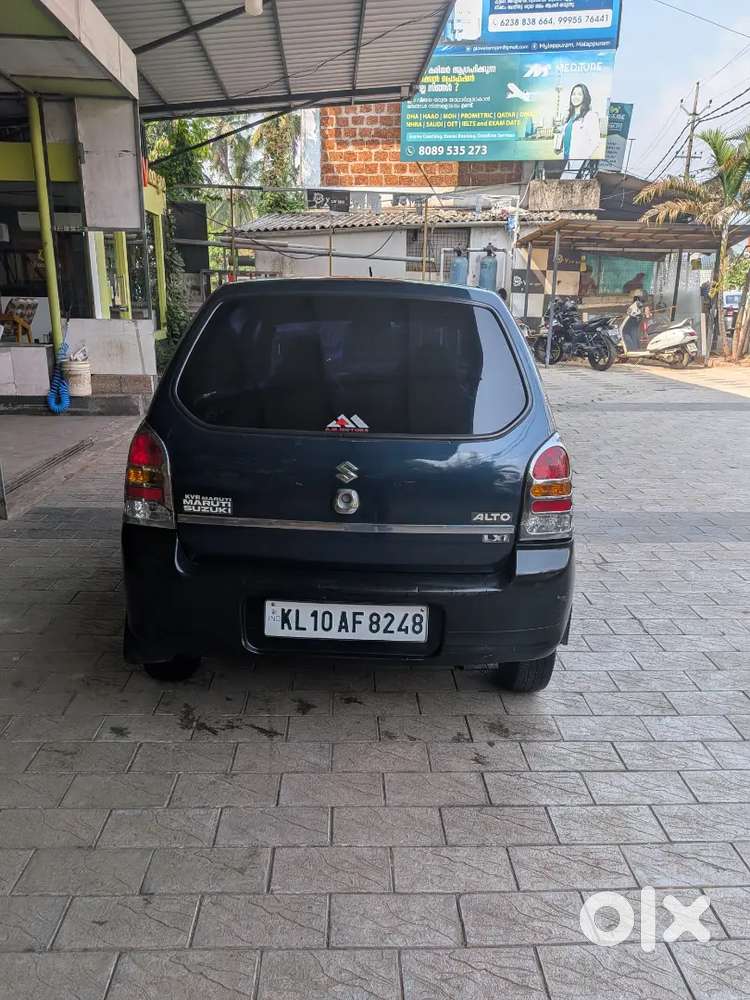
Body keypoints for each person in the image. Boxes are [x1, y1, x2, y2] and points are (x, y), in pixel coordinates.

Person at [555, 84, 601, 162]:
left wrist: (582, 158)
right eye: (573, 94)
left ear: (585, 97)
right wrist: (559, 148)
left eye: (579, 94)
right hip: (565, 160)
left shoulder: (590, 116)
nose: (575, 97)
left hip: (578, 162)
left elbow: (595, 141)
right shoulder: (569, 117)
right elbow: (566, 137)